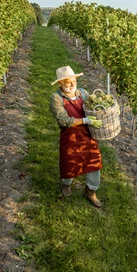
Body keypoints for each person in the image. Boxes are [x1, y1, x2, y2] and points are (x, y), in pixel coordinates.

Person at [49, 66, 104, 208]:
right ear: (61, 83)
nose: (73, 85)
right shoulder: (56, 98)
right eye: (68, 82)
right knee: (69, 163)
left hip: (87, 135)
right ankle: (67, 184)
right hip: (70, 137)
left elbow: (96, 106)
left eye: (74, 81)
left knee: (93, 162)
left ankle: (90, 192)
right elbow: (63, 120)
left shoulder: (83, 93)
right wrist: (85, 120)